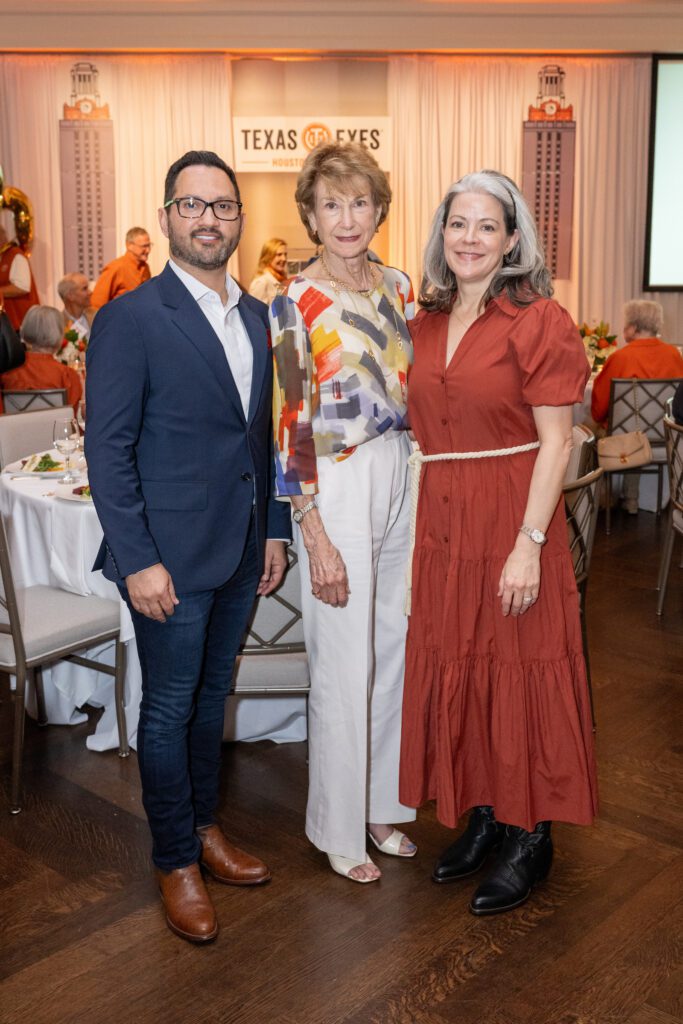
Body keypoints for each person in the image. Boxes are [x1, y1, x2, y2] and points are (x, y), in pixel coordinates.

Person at [85, 150, 291, 944]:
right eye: (192, 205)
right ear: (168, 215)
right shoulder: (132, 316)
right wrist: (137, 558)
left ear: (239, 220)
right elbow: (109, 451)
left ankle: (205, 830)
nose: (209, 219)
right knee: (168, 711)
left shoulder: (255, 316)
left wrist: (272, 525)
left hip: (239, 549)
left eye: (223, 206)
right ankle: (174, 858)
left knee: (211, 704)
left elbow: (263, 436)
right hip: (165, 560)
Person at [400, 170, 598, 915]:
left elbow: (558, 444)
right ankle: (483, 810)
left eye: (487, 226)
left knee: (520, 668)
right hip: (444, 525)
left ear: (512, 239)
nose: (469, 238)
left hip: (514, 519)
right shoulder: (422, 320)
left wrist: (528, 541)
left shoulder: (539, 319)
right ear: (440, 232)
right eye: (458, 224)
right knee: (465, 664)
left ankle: (529, 835)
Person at [270, 141, 416, 884]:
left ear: (379, 208)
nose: (347, 217)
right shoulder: (295, 300)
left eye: (359, 201)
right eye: (331, 204)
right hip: (337, 478)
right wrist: (313, 531)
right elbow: (288, 423)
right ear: (310, 215)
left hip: (403, 471)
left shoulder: (399, 284)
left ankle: (381, 805)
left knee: (392, 649)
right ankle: (335, 825)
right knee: (341, 658)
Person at [591, 300, 683, 513]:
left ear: (632, 328)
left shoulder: (620, 358)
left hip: (624, 439)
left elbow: (598, 410)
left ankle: (601, 499)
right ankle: (633, 498)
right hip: (665, 436)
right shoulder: (674, 355)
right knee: (636, 428)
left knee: (590, 431)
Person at [0, 304, 81, 413]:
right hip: (54, 429)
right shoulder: (67, 375)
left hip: (14, 429)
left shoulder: (7, 372)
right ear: (59, 333)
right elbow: (71, 415)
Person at [90, 227, 152, 309]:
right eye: (144, 246)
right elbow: (97, 303)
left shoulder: (145, 267)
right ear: (129, 245)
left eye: (149, 245)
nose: (148, 250)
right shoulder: (116, 267)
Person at [0, 224, 40, 330]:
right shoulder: (3, 256)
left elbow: (21, 287)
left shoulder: (16, 255)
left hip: (21, 325)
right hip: (9, 325)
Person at [248, 238, 288, 305]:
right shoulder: (261, 282)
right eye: (279, 254)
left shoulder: (282, 279)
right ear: (268, 257)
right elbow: (256, 313)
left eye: (285, 254)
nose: (284, 259)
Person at [57, 272, 94, 342]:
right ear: (70, 296)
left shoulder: (97, 316)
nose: (90, 292)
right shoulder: (58, 323)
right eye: (84, 289)